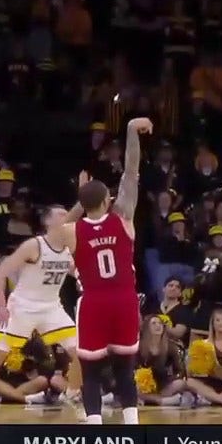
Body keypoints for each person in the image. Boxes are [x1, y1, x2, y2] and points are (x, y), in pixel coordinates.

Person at [0, 204, 83, 421]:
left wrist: (80, 278)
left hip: (51, 308)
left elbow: (73, 270)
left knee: (81, 354)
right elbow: (1, 273)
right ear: (47, 222)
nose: (66, 218)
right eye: (60, 214)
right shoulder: (34, 245)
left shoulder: (67, 248)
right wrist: (1, 305)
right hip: (22, 308)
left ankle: (71, 394)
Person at [62, 117, 152, 425]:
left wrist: (80, 198)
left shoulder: (72, 231)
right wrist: (130, 130)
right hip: (124, 300)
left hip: (94, 303)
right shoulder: (123, 217)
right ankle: (131, 426)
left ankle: (95, 427)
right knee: (125, 370)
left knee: (91, 373)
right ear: (107, 200)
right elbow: (131, 171)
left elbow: (59, 225)